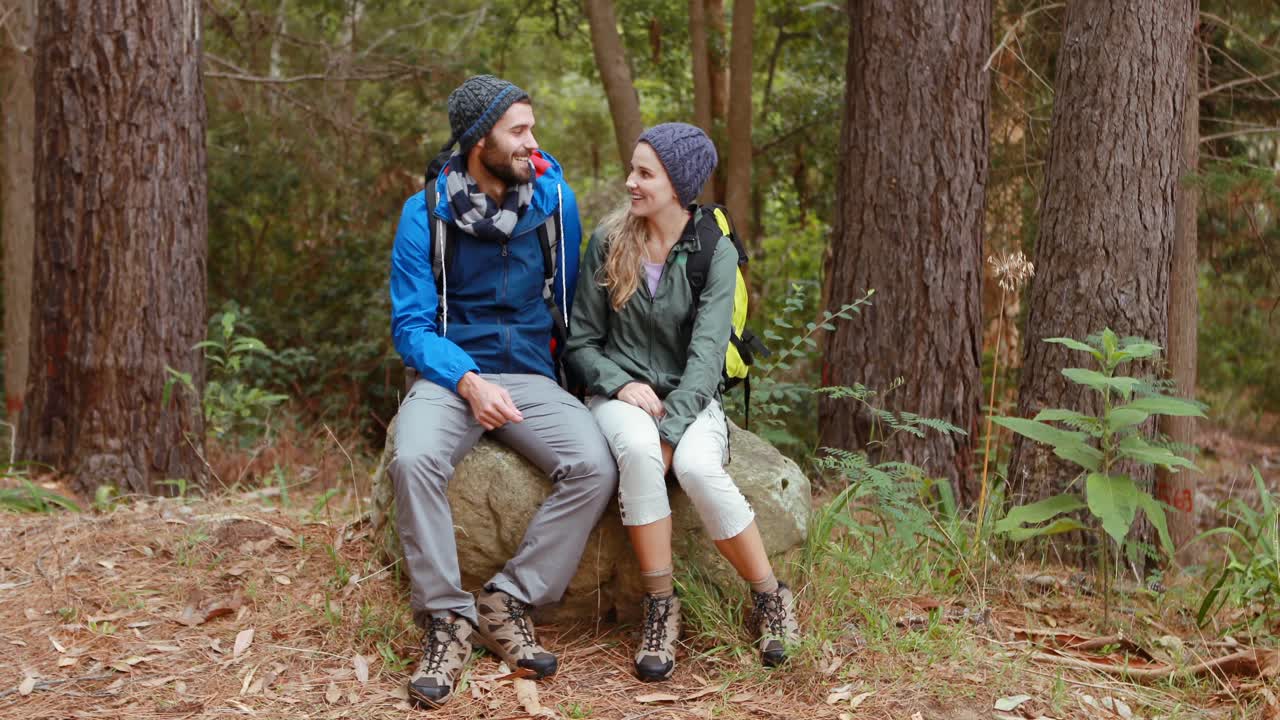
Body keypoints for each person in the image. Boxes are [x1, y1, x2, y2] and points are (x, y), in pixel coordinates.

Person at [388, 74, 618, 708]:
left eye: (532, 128)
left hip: (528, 372)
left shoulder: (553, 201)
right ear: (477, 139)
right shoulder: (425, 212)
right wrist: (464, 380)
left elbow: (573, 302)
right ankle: (446, 619)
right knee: (414, 459)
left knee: (594, 465)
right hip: (449, 372)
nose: (532, 142)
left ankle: (508, 599)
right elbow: (410, 325)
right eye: (518, 131)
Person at [564, 123, 800, 682]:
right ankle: (660, 608)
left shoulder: (712, 251)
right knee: (641, 456)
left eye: (645, 173)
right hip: (619, 392)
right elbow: (581, 342)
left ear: (679, 183)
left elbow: (708, 352)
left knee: (694, 464)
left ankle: (771, 598)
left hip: (689, 396)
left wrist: (676, 428)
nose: (630, 182)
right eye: (633, 169)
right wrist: (620, 385)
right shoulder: (607, 239)